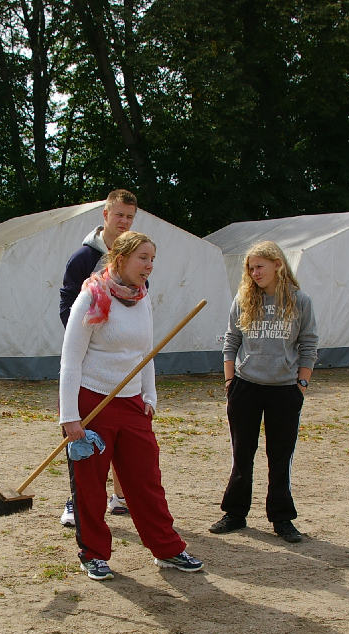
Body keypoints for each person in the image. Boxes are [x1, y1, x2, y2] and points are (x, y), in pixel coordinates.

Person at [60, 231, 204, 580]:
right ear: (121, 259)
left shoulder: (142, 298)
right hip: (91, 402)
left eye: (152, 259)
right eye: (143, 258)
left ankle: (167, 549)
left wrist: (149, 396)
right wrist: (70, 417)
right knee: (90, 487)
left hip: (133, 403)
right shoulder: (91, 296)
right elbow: (70, 361)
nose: (149, 265)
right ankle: (93, 554)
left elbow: (146, 353)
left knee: (146, 481)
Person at [209, 240, 319, 542]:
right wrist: (230, 382)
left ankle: (282, 518)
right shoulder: (244, 299)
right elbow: (231, 341)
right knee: (242, 454)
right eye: (250, 268)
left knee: (280, 456)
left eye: (259, 266)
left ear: (277, 265)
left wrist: (302, 384)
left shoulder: (300, 301)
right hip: (246, 386)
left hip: (284, 389)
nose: (254, 273)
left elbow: (309, 344)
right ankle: (235, 513)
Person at [57, 189, 138, 528]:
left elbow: (137, 303)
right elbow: (67, 305)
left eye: (130, 217)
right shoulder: (84, 257)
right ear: (105, 215)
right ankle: (76, 500)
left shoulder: (135, 256)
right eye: (119, 215)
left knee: (122, 434)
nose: (124, 222)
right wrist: (87, 341)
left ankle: (120, 497)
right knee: (83, 434)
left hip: (121, 363)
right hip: (88, 360)